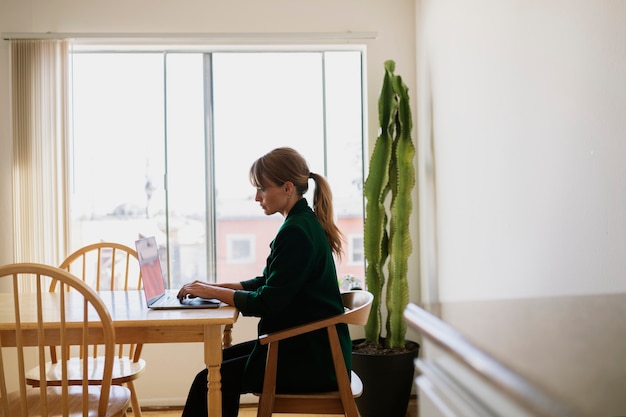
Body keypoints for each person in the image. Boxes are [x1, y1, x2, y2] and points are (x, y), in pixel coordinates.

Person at [177, 147, 352, 417]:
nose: (257, 197)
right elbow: (270, 281)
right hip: (306, 346)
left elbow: (269, 301)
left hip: (311, 359)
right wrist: (217, 288)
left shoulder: (296, 231)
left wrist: (210, 291)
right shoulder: (302, 223)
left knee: (211, 380)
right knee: (215, 369)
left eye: (262, 188)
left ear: (287, 188)